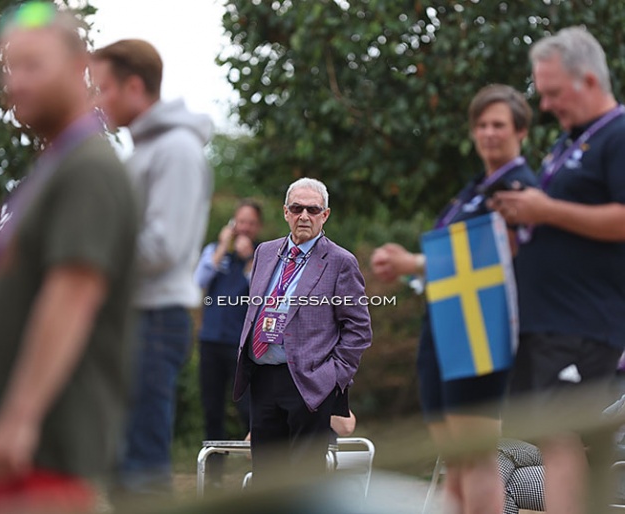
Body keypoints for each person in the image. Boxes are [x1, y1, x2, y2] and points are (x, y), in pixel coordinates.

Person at [0, 3, 138, 512]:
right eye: (8, 68)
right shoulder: (57, 164)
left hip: (48, 449)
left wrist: (19, 417)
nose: (15, 83)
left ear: (78, 66)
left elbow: (73, 294)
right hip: (19, 453)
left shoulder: (89, 168)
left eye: (32, 66)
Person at [371, 84, 537, 514]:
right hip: (446, 327)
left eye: (498, 124)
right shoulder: (475, 189)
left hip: (479, 333)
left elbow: (493, 259)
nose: (488, 133)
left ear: (521, 131)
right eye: (481, 125)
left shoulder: (519, 187)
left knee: (478, 456)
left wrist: (413, 262)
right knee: (456, 459)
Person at [489, 27, 625, 514]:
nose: (544, 105)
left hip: (585, 322)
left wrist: (544, 212)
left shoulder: (617, 133)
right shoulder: (570, 143)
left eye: (551, 92)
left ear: (587, 79)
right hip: (550, 324)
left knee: (564, 442)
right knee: (551, 439)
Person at [90, 39, 214, 493]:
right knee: (121, 471)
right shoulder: (141, 150)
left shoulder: (177, 149)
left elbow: (163, 245)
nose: (97, 100)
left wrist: (88, 257)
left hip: (155, 319)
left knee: (141, 470)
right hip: (132, 318)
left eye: (103, 88)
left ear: (135, 86)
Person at [233, 177, 372, 486]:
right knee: (266, 479)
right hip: (264, 374)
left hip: (310, 381)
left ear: (325, 215)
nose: (304, 216)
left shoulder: (340, 261)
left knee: (305, 481)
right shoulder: (265, 253)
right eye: (297, 208)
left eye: (313, 209)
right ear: (286, 212)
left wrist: (333, 376)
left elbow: (359, 328)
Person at [194, 200, 263, 485]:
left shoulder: (263, 256)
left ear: (257, 227)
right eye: (240, 221)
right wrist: (223, 246)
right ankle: (213, 479)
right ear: (232, 223)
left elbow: (263, 291)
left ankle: (261, 471)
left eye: (250, 222)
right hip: (210, 342)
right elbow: (199, 280)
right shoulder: (214, 251)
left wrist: (248, 261)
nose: (244, 227)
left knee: (250, 409)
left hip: (242, 346)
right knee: (213, 410)